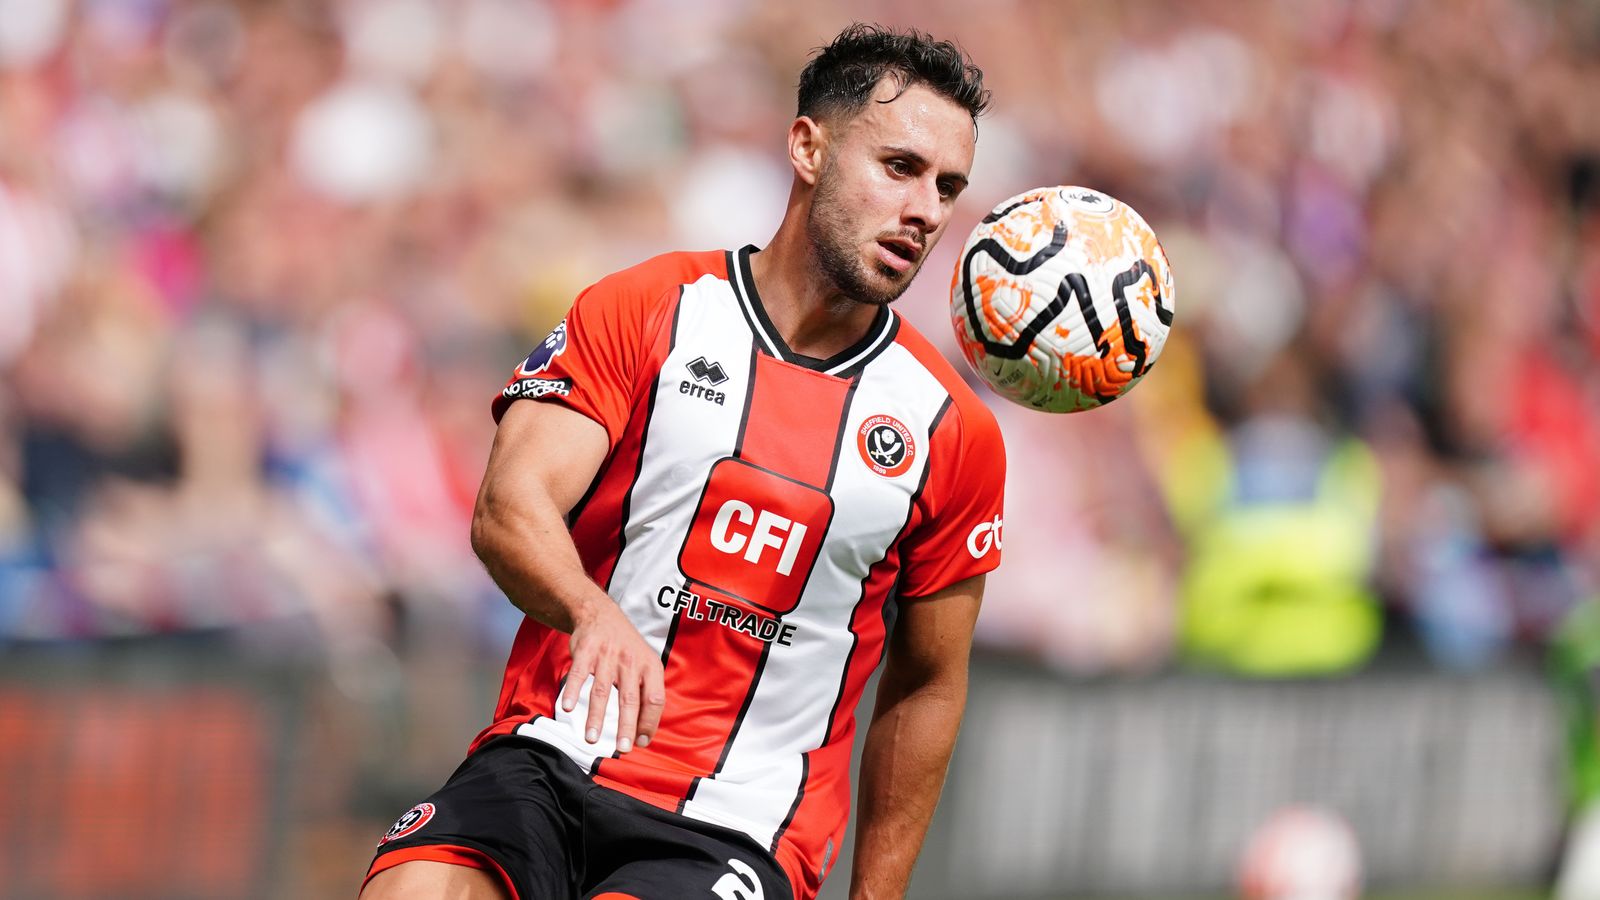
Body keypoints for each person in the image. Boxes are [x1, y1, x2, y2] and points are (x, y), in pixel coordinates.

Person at [361, 24, 1004, 900]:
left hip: (738, 828)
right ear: (808, 147)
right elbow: (509, 506)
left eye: (948, 186)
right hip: (547, 759)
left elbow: (929, 684)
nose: (926, 209)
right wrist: (589, 610)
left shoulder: (949, 428)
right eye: (900, 168)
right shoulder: (646, 309)